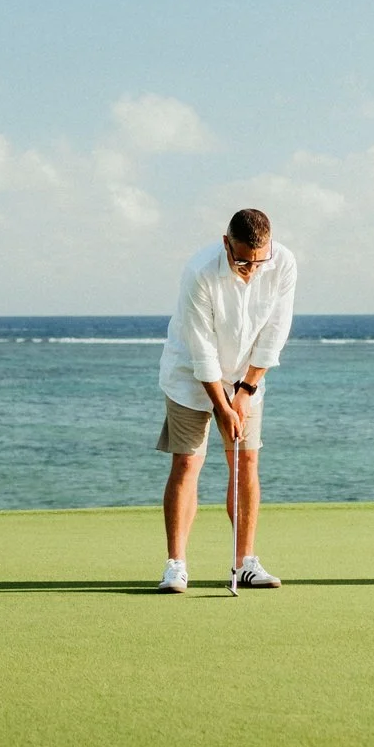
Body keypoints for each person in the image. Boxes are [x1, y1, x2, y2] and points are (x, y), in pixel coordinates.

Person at [156, 207, 297, 594]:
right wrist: (223, 405)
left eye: (258, 260)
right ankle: (176, 565)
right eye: (241, 260)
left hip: (246, 376)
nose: (250, 269)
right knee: (187, 462)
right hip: (190, 375)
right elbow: (202, 351)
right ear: (225, 243)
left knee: (246, 458)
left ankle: (245, 561)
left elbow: (276, 330)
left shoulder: (283, 263)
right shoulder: (199, 271)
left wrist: (246, 391)